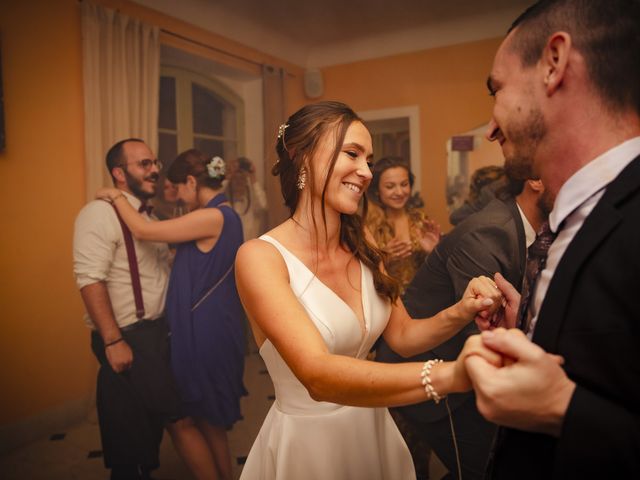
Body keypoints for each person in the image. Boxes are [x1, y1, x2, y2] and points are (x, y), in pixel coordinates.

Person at [235, 101, 506, 480]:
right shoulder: (260, 257)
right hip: (311, 447)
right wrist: (451, 375)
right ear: (301, 157)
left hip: (373, 431)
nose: (365, 172)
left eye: (369, 159)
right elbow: (318, 375)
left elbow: (404, 336)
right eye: (352, 154)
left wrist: (462, 309)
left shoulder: (361, 241)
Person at [462, 1, 640, 478]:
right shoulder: (574, 215)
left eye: (497, 90)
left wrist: (565, 408)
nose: (493, 127)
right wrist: (537, 328)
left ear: (554, 63)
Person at [383, 174, 548, 480]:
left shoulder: (535, 231)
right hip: (431, 370)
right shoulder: (487, 234)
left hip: (463, 364)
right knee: (487, 467)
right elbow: (482, 329)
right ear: (536, 181)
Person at [96, 149, 247, 480]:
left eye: (178, 189)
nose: (178, 198)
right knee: (211, 423)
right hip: (210, 324)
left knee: (206, 417)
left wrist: (115, 197)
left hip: (205, 331)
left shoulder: (215, 216)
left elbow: (144, 231)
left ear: (192, 182)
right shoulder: (222, 215)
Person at [74, 139, 219, 480]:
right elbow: (89, 279)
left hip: (157, 334)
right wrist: (113, 340)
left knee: (136, 423)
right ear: (119, 174)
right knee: (176, 418)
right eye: (144, 164)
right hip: (128, 336)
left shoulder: (148, 215)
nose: (155, 169)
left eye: (154, 162)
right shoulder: (98, 214)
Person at [366, 156, 441, 293]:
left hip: (420, 298)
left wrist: (434, 252)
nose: (399, 192)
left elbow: (436, 270)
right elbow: (357, 273)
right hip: (384, 297)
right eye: (390, 186)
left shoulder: (420, 220)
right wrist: (382, 259)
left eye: (404, 184)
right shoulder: (367, 225)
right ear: (377, 190)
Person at [226, 156, 267, 240]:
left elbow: (263, 205)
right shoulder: (225, 198)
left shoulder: (251, 198)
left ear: (246, 180)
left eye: (241, 178)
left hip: (249, 245)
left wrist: (253, 177)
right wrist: (229, 174)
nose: (238, 182)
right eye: (235, 179)